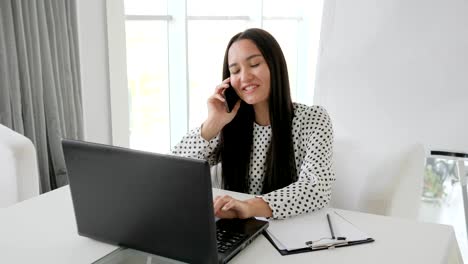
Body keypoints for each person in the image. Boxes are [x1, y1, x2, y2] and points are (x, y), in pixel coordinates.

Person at [172, 28, 334, 220]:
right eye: (235, 71)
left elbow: (316, 187)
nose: (244, 77)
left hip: (292, 232)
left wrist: (249, 207)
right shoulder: (228, 121)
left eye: (254, 64)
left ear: (275, 66)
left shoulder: (313, 119)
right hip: (237, 230)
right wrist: (212, 123)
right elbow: (173, 172)